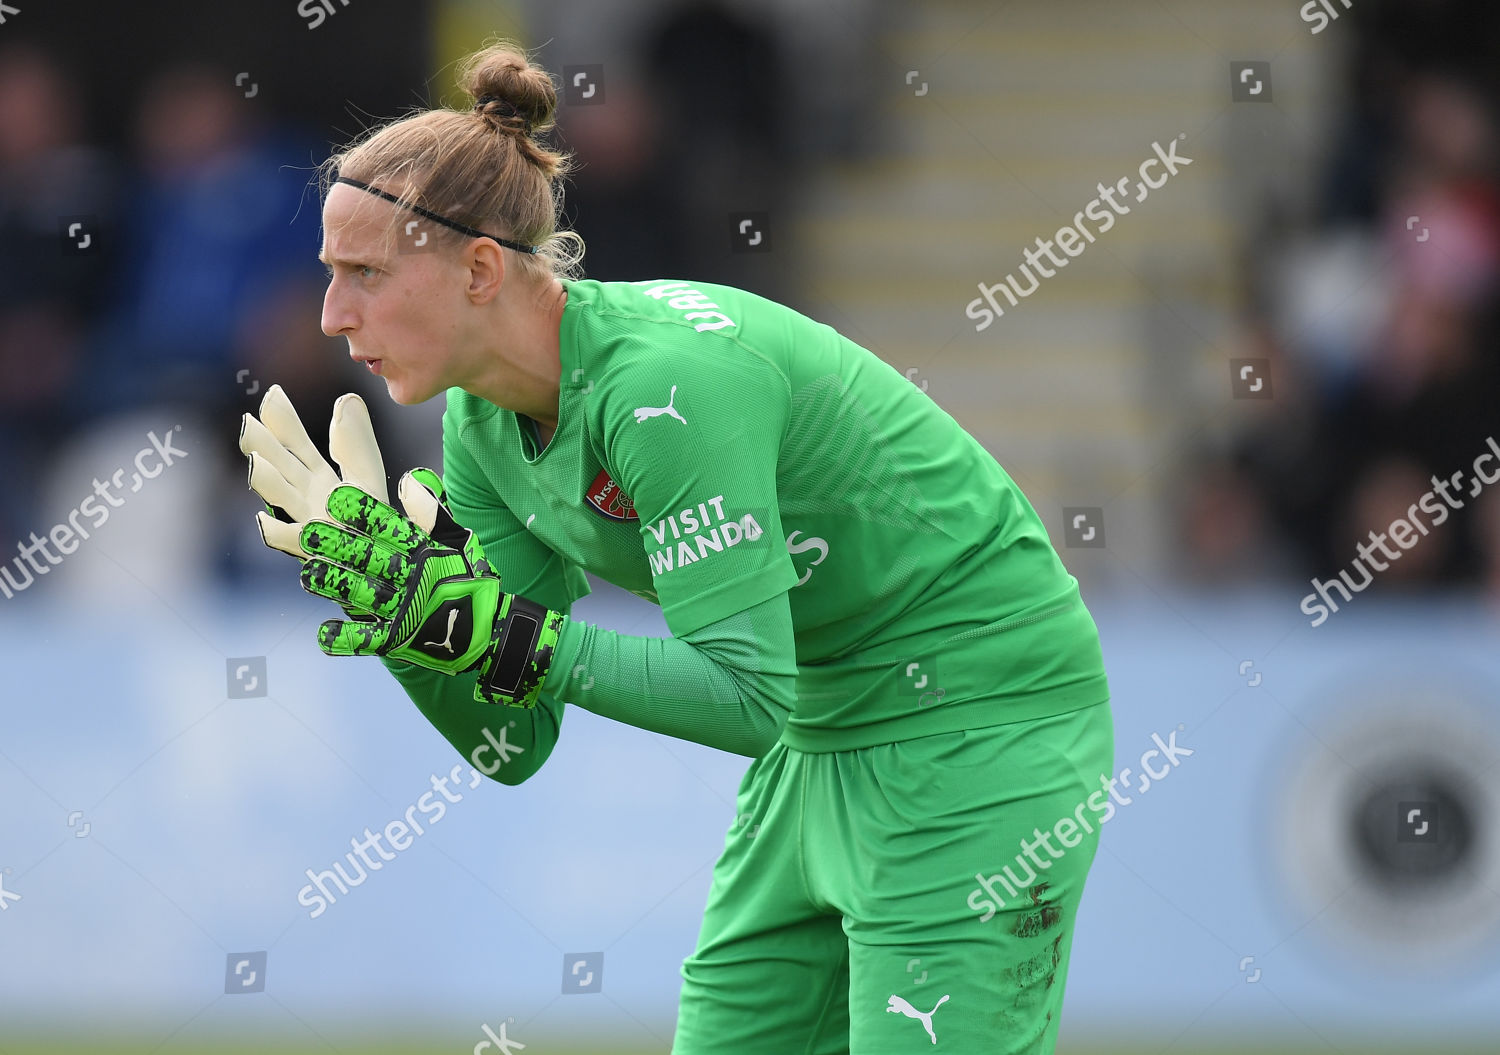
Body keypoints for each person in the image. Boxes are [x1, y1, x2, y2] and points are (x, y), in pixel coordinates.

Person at [243, 39, 1114, 1055]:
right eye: (327, 276)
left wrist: (504, 633)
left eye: (363, 274)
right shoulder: (481, 426)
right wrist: (398, 612)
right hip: (816, 745)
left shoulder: (668, 388)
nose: (330, 317)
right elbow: (512, 740)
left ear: (481, 266)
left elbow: (746, 696)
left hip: (978, 729)